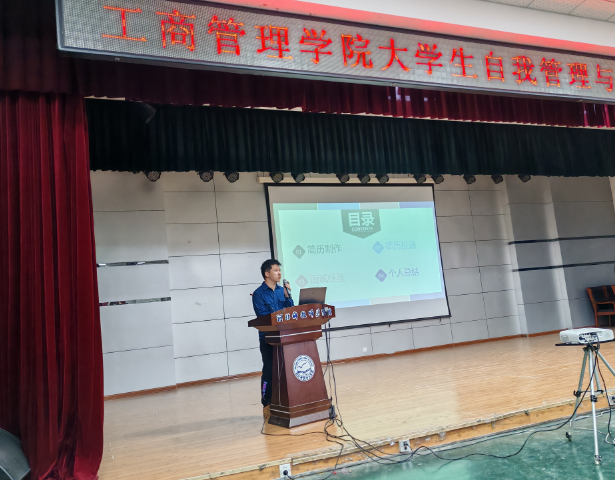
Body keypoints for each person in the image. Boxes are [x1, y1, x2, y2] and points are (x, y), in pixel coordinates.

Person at [252, 259, 293, 420]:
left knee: (287, 369)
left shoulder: (282, 291)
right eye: (276, 270)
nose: (279, 273)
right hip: (268, 338)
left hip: (285, 336)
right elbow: (262, 316)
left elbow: (291, 312)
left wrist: (288, 297)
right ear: (267, 273)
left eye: (280, 270)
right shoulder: (258, 294)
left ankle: (288, 399)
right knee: (269, 370)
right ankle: (267, 401)